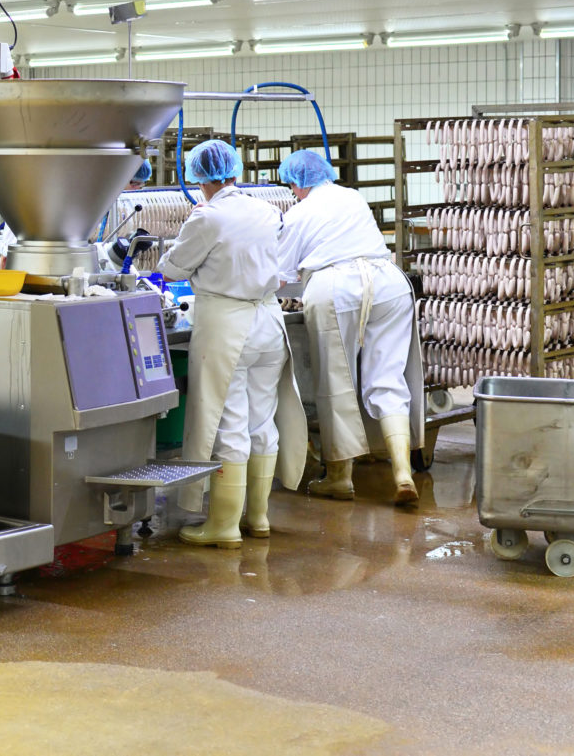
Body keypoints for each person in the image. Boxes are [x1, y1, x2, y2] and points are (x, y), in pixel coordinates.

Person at [157, 140, 306, 547]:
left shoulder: (207, 218)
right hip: (268, 323)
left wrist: (170, 263)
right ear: (236, 171)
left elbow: (172, 268)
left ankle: (223, 525)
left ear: (199, 178)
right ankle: (257, 517)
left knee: (228, 423)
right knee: (262, 420)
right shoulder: (268, 210)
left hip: (227, 328)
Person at [276, 150, 424, 505]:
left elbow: (280, 276)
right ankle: (403, 472)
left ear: (297, 183)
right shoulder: (352, 196)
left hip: (336, 287)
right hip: (387, 282)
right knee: (388, 377)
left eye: (291, 186)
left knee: (336, 382)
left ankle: (340, 477)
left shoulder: (297, 214)